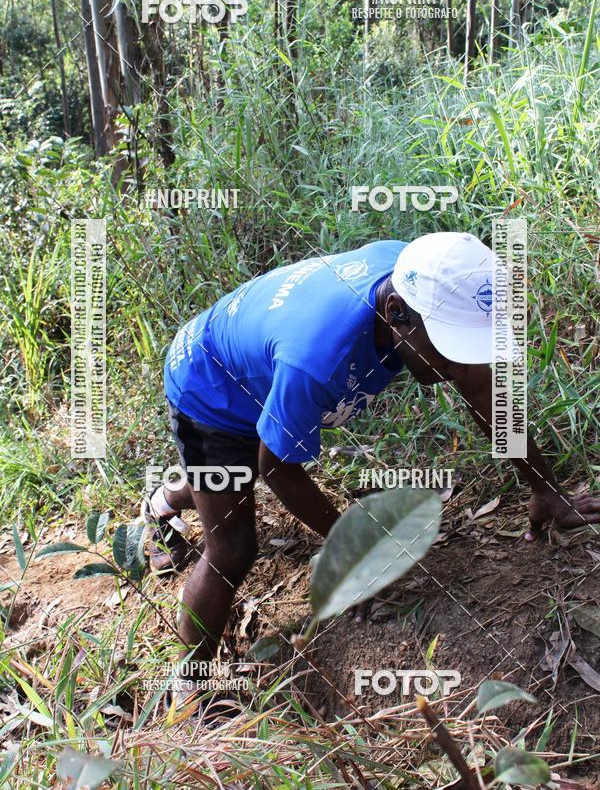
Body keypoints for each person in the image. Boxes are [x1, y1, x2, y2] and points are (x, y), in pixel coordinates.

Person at [143, 232, 600, 704]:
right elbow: (277, 468)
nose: (455, 363)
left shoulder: (422, 276)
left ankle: (167, 498)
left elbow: (482, 391)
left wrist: (546, 489)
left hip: (266, 361)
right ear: (396, 312)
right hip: (210, 387)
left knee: (233, 474)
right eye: (447, 346)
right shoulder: (317, 360)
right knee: (233, 546)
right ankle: (191, 689)